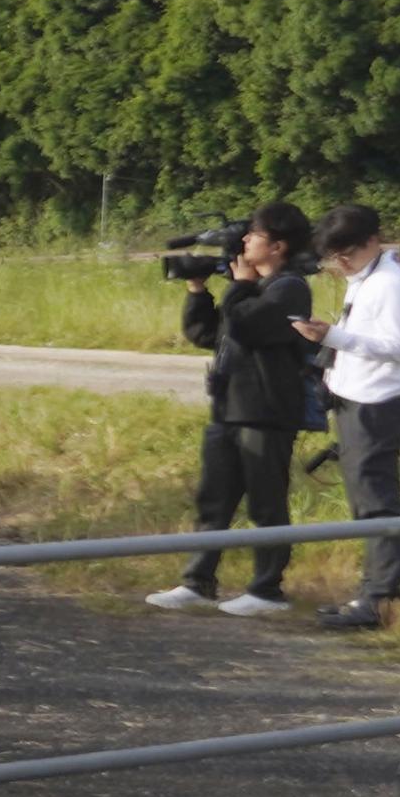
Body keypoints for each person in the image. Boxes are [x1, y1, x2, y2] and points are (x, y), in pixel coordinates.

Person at [148, 201, 314, 618]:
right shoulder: (253, 285)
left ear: (277, 246)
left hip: (266, 412)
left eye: (254, 236)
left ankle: (267, 590)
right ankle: (197, 582)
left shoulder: (289, 287)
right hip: (228, 409)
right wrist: (198, 291)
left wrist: (239, 285)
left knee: (266, 503)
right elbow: (209, 334)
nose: (244, 241)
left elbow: (249, 325)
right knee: (214, 501)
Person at [293, 202, 400, 629]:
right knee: (363, 500)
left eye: (347, 253)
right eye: (334, 256)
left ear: (372, 241)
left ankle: (378, 597)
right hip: (353, 400)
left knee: (377, 501)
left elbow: (399, 347)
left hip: (376, 405)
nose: (340, 263)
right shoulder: (365, 279)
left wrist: (334, 335)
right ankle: (370, 592)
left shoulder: (390, 285)